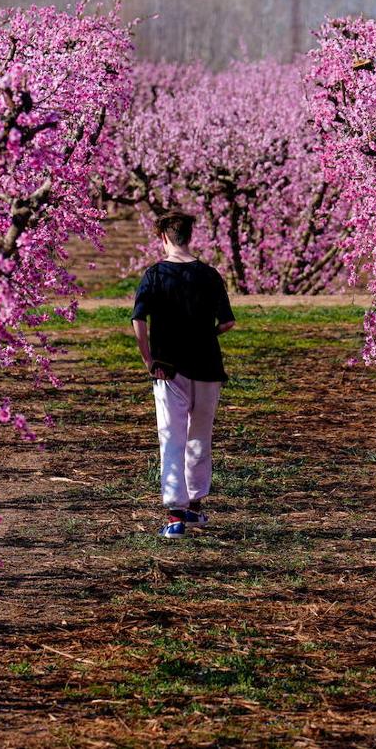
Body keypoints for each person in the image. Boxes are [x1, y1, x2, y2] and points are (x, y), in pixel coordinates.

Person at [130, 211, 236, 539]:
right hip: (207, 366)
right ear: (190, 236)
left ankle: (175, 515)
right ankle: (195, 507)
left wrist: (148, 357)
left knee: (171, 437)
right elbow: (227, 322)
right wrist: (206, 335)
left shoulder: (155, 275)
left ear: (163, 237)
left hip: (167, 367)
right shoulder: (209, 274)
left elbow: (139, 319)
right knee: (199, 437)